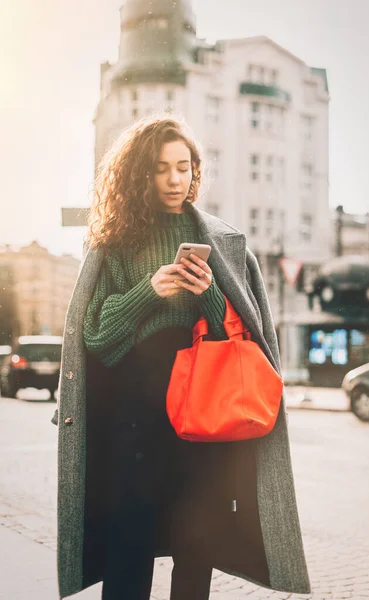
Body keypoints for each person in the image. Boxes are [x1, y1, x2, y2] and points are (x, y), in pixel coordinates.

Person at [54, 116, 311, 600]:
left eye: (184, 167)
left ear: (195, 171)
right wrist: (148, 292)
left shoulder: (224, 242)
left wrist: (210, 294)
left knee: (197, 546)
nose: (175, 179)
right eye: (160, 169)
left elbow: (245, 338)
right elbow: (95, 338)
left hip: (204, 418)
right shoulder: (114, 240)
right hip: (134, 421)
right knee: (129, 547)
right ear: (138, 175)